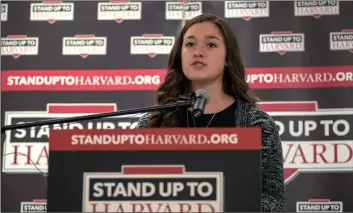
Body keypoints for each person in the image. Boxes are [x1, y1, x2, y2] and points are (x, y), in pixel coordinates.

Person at [137, 14, 286, 212]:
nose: (198, 52)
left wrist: (212, 200)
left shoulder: (257, 124)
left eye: (211, 45)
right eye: (190, 44)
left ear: (227, 58)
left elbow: (274, 204)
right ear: (180, 54)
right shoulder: (152, 123)